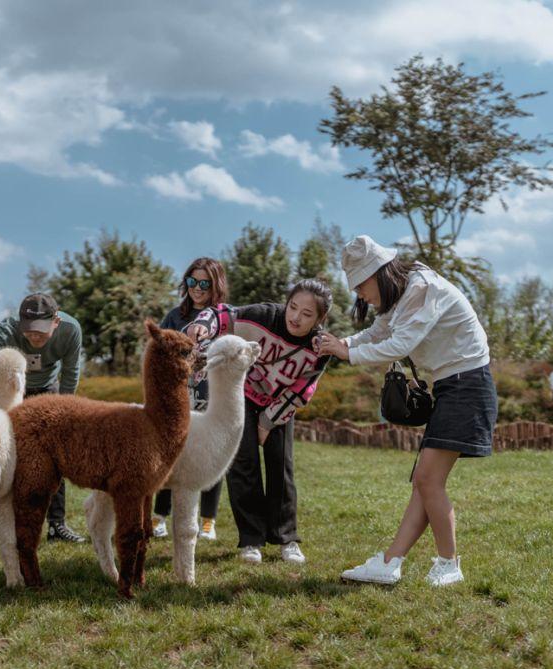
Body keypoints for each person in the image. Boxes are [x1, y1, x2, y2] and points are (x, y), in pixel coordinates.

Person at [317, 235, 496, 587]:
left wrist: (346, 354)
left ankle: (449, 564)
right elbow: (380, 330)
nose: (361, 296)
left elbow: (399, 345)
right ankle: (390, 562)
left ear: (378, 274)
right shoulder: (404, 293)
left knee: (428, 480)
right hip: (452, 385)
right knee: (423, 482)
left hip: (468, 384)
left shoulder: (421, 287)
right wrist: (342, 344)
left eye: (362, 287)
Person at [187, 279, 333, 565]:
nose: (295, 317)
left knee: (281, 465)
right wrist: (203, 324)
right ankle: (250, 540)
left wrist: (268, 422)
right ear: (285, 303)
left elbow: (302, 390)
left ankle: (286, 538)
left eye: (306, 314)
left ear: (319, 319)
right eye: (292, 307)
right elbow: (221, 314)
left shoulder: (319, 347)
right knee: (243, 464)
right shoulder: (262, 315)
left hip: (280, 406)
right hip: (242, 397)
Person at [0, 292, 86, 543]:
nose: (34, 336)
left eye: (41, 330)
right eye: (29, 330)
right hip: (12, 392)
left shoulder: (71, 331)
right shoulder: (5, 332)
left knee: (55, 457)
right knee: (8, 456)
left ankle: (56, 525)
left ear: (56, 322)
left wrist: (64, 409)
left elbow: (71, 372)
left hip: (49, 389)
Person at [151, 257, 230, 541]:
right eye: (191, 282)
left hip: (211, 399)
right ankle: (159, 516)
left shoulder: (223, 319)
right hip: (177, 398)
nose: (196, 288)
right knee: (169, 453)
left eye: (204, 283)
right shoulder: (174, 316)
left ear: (215, 285)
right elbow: (158, 351)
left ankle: (208, 521)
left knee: (209, 457)